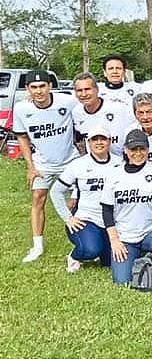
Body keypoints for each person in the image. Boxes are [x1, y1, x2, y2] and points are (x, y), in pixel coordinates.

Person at [12, 69, 79, 263]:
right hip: (42, 162)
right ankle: (37, 245)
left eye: (42, 86)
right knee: (37, 198)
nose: (39, 91)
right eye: (34, 87)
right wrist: (30, 167)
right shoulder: (21, 109)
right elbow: (22, 137)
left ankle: (81, 244)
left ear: (50, 86)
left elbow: (87, 104)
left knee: (81, 199)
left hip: (70, 160)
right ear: (27, 89)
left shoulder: (66, 101)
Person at [101, 129, 152, 284]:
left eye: (142, 148)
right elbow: (107, 211)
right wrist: (114, 240)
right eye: (134, 149)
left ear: (148, 149)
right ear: (126, 151)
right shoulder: (114, 175)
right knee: (122, 280)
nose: (138, 153)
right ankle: (140, 259)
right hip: (125, 236)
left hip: (150, 231)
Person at [50, 125, 122, 272]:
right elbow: (56, 191)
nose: (99, 142)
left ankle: (102, 248)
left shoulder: (120, 163)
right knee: (91, 249)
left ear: (110, 141)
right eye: (94, 139)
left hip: (113, 221)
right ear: (88, 143)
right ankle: (74, 256)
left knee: (111, 261)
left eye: (103, 139)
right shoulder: (78, 165)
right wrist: (68, 218)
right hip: (87, 219)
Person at [72, 72, 135, 156]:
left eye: (87, 89)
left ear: (97, 89)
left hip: (121, 162)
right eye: (79, 90)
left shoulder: (120, 108)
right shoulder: (76, 112)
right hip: (96, 164)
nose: (84, 94)